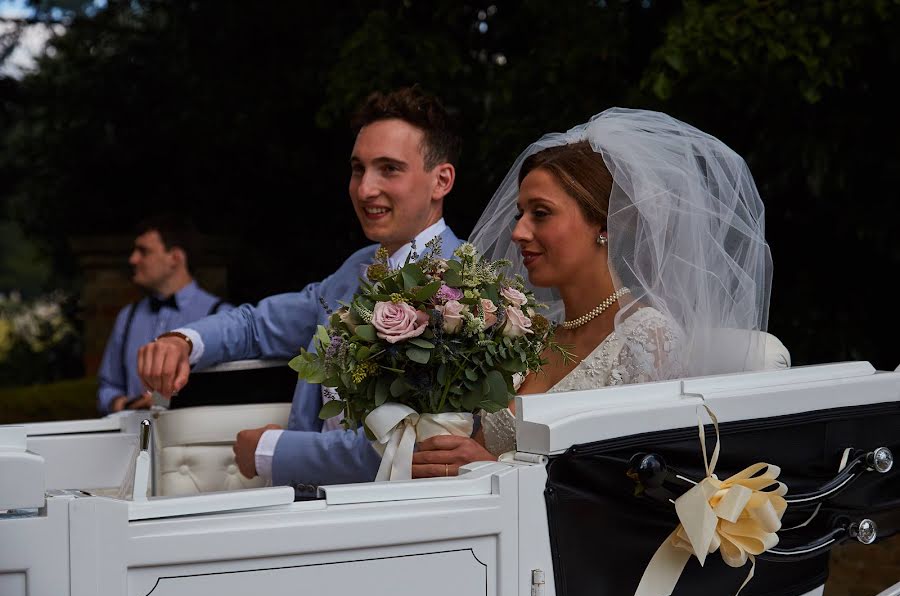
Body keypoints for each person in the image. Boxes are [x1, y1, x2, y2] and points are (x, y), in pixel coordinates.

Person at [137, 86, 464, 494]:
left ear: (441, 180)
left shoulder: (462, 293)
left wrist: (270, 451)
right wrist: (183, 341)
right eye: (358, 169)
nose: (364, 189)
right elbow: (258, 325)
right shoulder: (357, 269)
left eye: (389, 169)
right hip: (312, 506)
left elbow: (410, 450)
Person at [412, 108, 772, 477]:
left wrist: (492, 470)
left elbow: (629, 485)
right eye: (520, 214)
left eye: (541, 213)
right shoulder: (528, 335)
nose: (518, 232)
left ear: (604, 224)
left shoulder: (648, 339)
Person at [97, 214, 233, 414]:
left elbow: (230, 392)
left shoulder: (222, 315)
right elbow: (108, 387)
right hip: (135, 437)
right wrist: (127, 405)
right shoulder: (128, 316)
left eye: (144, 251)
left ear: (175, 258)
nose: (133, 259)